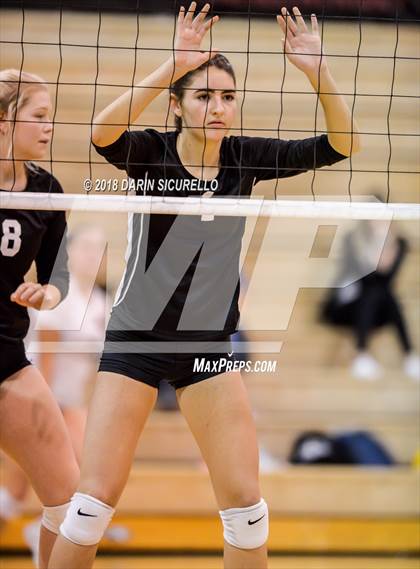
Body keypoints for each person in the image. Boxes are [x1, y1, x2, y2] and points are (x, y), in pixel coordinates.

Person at [48, 5, 360, 569]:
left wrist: (318, 73)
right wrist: (174, 63)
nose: (218, 108)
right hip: (136, 344)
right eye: (203, 95)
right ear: (178, 103)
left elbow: (341, 145)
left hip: (208, 350)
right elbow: (101, 133)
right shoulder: (150, 153)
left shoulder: (244, 157)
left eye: (227, 97)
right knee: (91, 506)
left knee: (246, 510)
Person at [0, 69, 79, 568]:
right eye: (39, 117)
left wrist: (46, 293)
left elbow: (60, 278)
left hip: (7, 358)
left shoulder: (47, 191)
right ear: (5, 121)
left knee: (70, 503)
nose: (49, 128)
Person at [321, 218, 420, 381]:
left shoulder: (399, 244)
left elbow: (386, 278)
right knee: (374, 293)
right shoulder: (354, 240)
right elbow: (364, 278)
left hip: (377, 310)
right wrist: (374, 249)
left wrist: (387, 245)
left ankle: (404, 356)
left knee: (384, 294)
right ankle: (400, 354)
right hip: (348, 307)